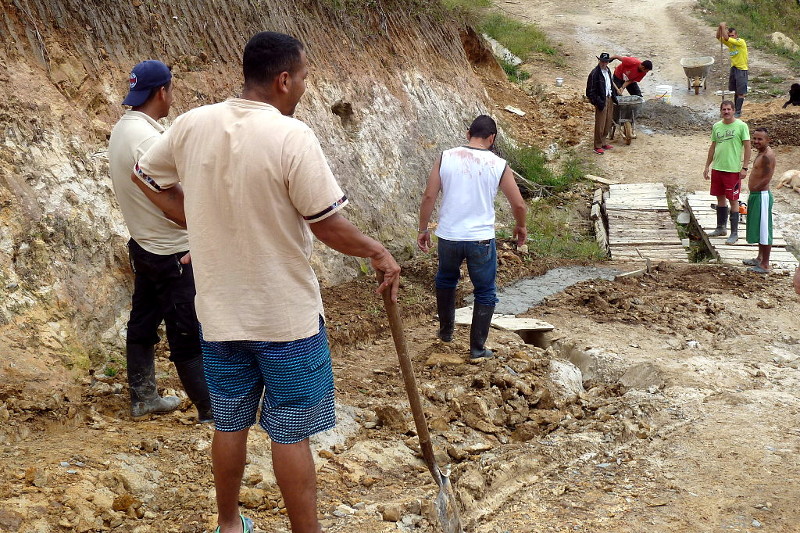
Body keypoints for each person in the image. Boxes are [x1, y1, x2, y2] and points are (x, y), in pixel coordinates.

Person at [131, 32, 400, 533]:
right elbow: (326, 224)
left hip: (219, 315)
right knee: (291, 432)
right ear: (283, 79)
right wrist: (378, 252)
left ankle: (229, 525)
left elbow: (145, 176)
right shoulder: (290, 136)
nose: (303, 87)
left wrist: (189, 215)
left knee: (228, 422)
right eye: (302, 78)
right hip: (285, 319)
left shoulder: (192, 123)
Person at [107, 60, 212, 423]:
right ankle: (211, 411)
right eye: (171, 90)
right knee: (186, 332)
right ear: (162, 92)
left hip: (143, 246)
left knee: (143, 322)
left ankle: (144, 397)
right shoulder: (150, 140)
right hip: (173, 251)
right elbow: (176, 205)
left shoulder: (123, 130)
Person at [417, 115, 527, 360]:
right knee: (485, 291)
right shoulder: (499, 165)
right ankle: (477, 348)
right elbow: (518, 204)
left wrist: (423, 229)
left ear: (468, 134)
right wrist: (520, 227)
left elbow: (428, 197)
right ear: (492, 138)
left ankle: (446, 332)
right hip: (480, 239)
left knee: (446, 280)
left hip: (449, 236)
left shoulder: (445, 157)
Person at [703, 100, 751, 245]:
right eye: (724, 109)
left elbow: (747, 147)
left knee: (733, 200)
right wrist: (707, 166)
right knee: (720, 198)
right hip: (718, 168)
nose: (726, 112)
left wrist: (745, 167)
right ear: (721, 111)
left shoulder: (741, 126)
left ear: (734, 110)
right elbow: (713, 147)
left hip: (733, 170)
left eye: (729, 109)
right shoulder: (717, 126)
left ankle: (734, 233)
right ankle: (721, 228)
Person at [742, 128, 776, 273]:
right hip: (756, 195)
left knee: (764, 229)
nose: (756, 141)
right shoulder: (761, 153)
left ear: (767, 140)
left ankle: (765, 264)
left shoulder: (768, 156)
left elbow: (768, 178)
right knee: (758, 226)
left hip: (762, 196)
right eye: (754, 138)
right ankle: (759, 258)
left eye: (759, 139)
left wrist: (755, 189)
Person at [586, 52, 617, 155]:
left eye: (606, 62)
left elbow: (610, 85)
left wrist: (613, 97)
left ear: (608, 62)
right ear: (599, 61)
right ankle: (597, 146)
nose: (604, 63)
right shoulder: (594, 73)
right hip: (601, 100)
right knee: (600, 124)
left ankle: (604, 142)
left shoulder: (608, 71)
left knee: (608, 123)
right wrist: (596, 102)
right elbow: (590, 91)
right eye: (602, 61)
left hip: (609, 98)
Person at [717, 22, 748, 117]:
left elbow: (726, 38)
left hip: (742, 69)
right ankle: (735, 110)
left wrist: (723, 28)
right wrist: (720, 28)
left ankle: (738, 111)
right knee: (735, 91)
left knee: (741, 92)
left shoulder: (740, 42)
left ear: (736, 35)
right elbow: (718, 37)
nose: (731, 37)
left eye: (732, 35)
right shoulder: (730, 44)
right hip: (734, 68)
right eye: (730, 35)